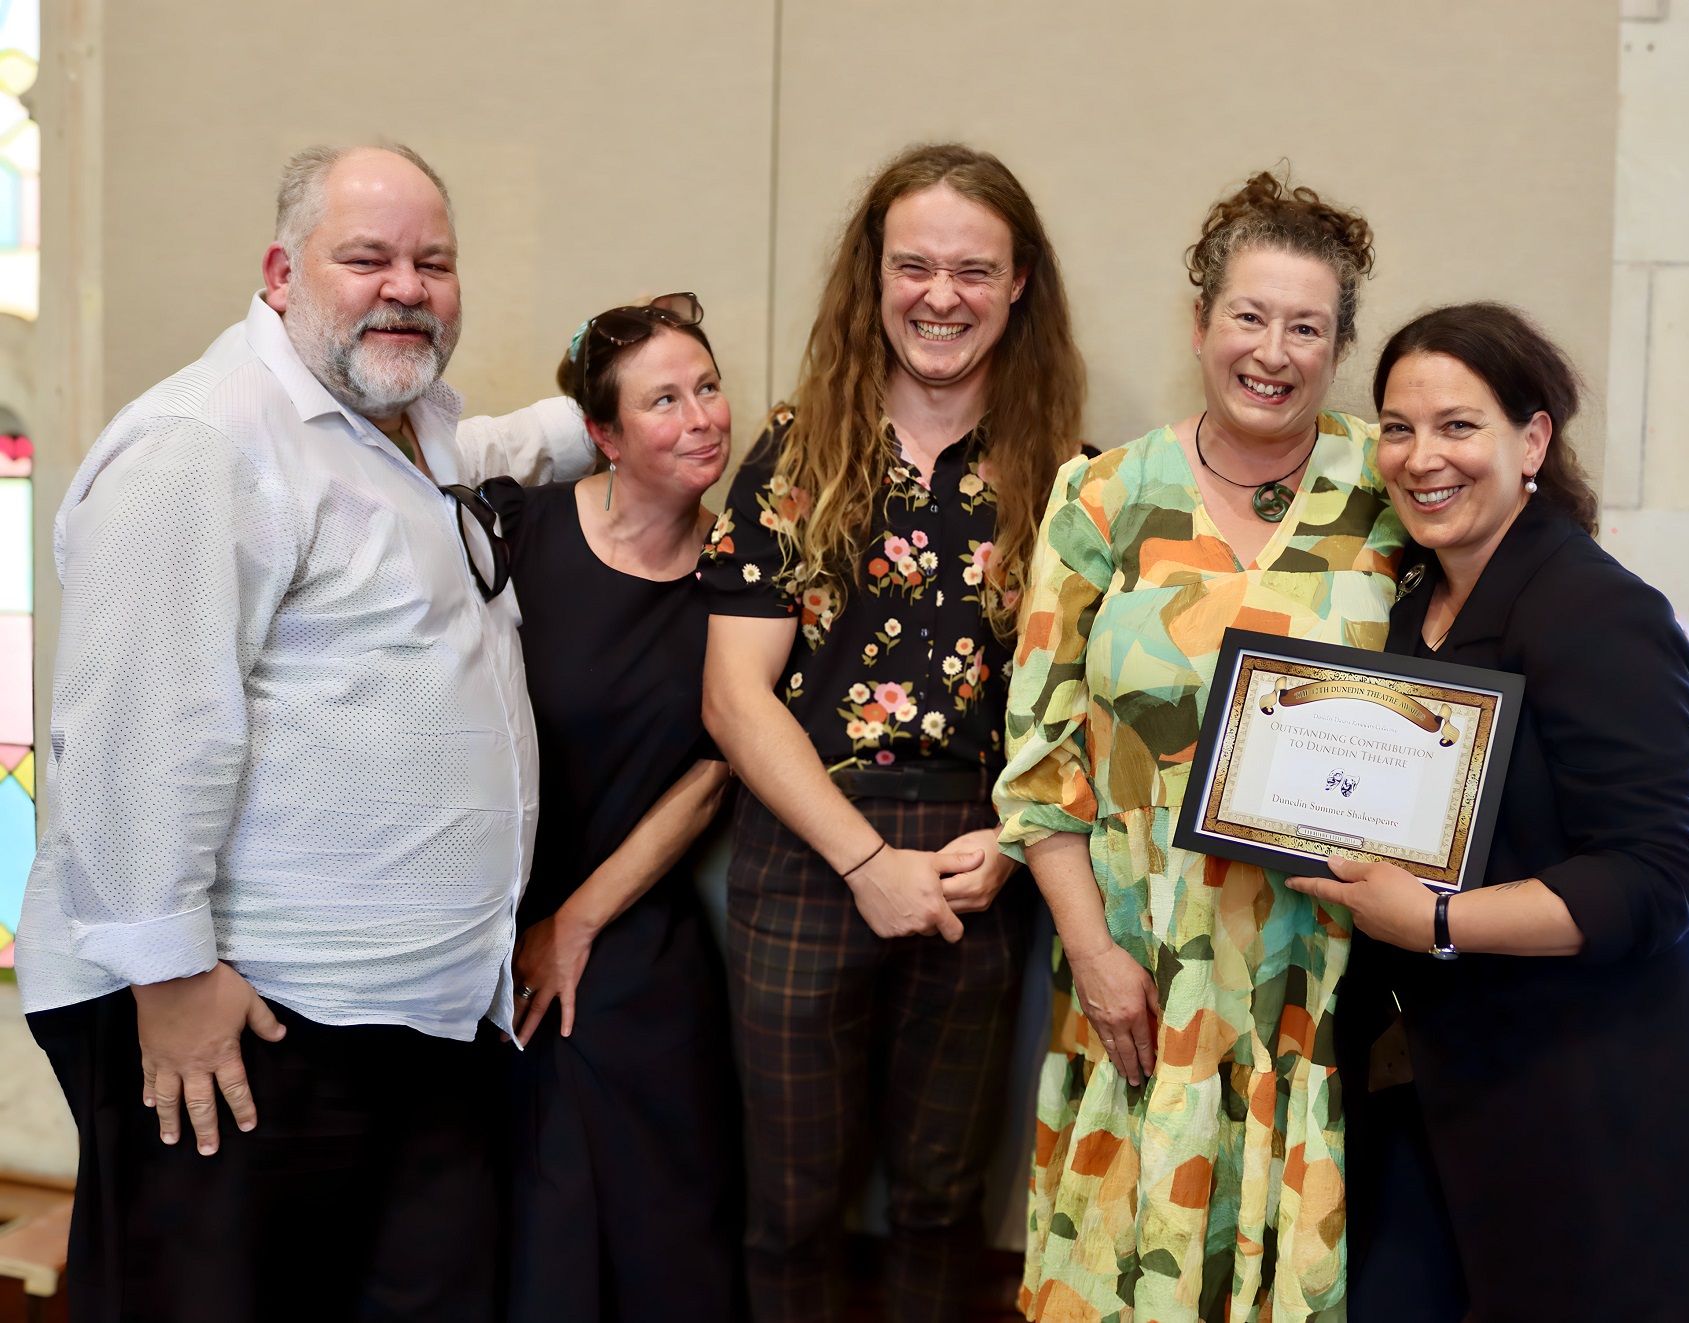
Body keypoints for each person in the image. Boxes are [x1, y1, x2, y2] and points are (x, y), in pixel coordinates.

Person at [17, 142, 591, 1323]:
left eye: (432, 262)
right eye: (367, 257)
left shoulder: (407, 423)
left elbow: (494, 455)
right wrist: (173, 981)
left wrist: (622, 420)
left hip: (406, 1014)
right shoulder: (205, 444)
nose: (407, 286)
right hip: (247, 1016)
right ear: (282, 272)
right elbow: (134, 730)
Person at [1289, 302, 1689, 1322]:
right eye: (1397, 427)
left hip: (1606, 1100)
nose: (1421, 456)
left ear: (1532, 439)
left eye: (1458, 425)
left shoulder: (1596, 608)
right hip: (1448, 1087)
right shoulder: (1406, 611)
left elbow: (1655, 878)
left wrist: (1433, 923)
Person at [995, 171, 1401, 1322]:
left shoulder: (1385, 495)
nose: (1273, 350)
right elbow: (1037, 766)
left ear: (1340, 347)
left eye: (1307, 326)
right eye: (1250, 316)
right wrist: (1096, 956)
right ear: (1201, 327)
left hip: (1307, 990)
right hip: (1136, 979)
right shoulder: (1104, 496)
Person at [699, 142, 1085, 1321]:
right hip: (807, 854)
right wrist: (864, 864)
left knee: (939, 1203)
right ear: (871, 277)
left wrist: (1014, 846)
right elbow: (731, 697)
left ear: (1019, 285)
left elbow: (1072, 712)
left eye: (974, 269)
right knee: (795, 1207)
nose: (941, 296)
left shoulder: (1065, 479)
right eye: (913, 265)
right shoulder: (794, 453)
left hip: (975, 857)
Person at [482, 294, 744, 1322]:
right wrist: (530, 927)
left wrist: (579, 922)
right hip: (485, 935)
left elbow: (719, 768)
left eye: (710, 387)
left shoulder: (743, 577)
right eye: (665, 400)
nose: (703, 418)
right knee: (522, 1237)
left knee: (663, 1242)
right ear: (601, 433)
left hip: (637, 931)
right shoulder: (513, 530)